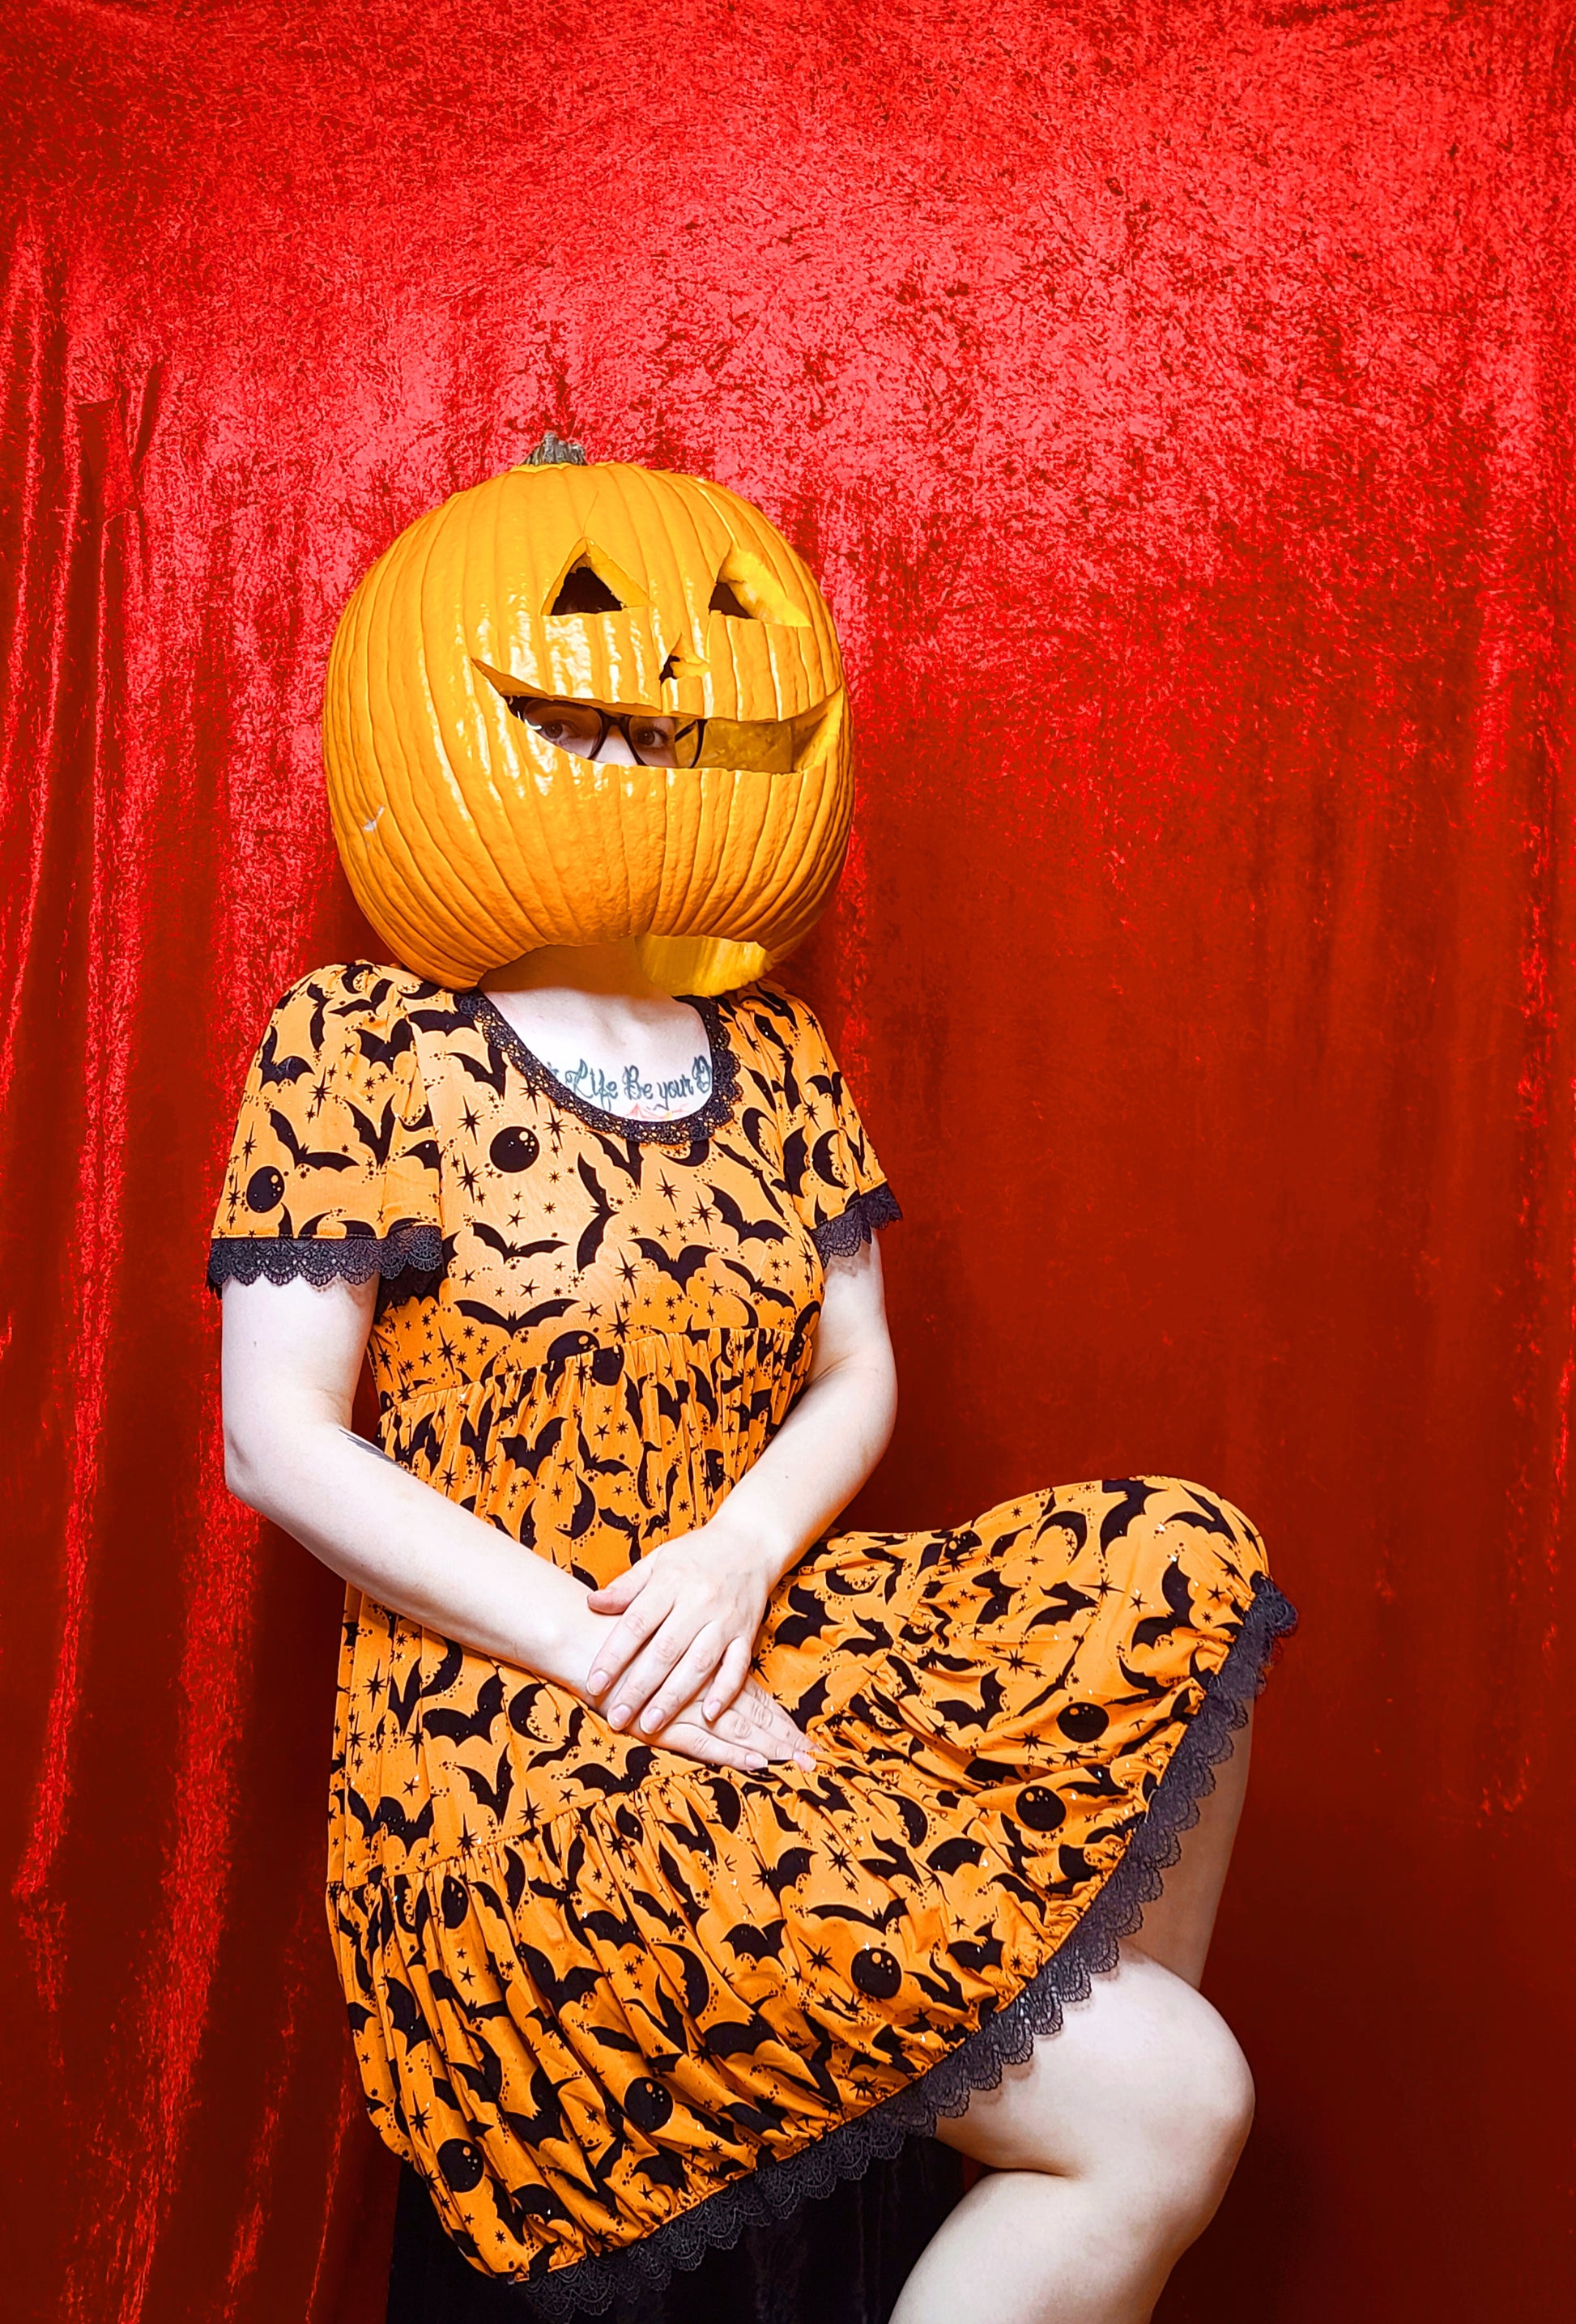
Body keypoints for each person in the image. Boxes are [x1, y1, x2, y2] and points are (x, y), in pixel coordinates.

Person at [213, 456, 1295, 2322]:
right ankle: (1052, 2088)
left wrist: (731, 1556)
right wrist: (612, 1649)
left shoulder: (774, 1051)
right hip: (504, 1714)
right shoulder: (360, 1037)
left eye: (724, 643)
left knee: (1180, 1557)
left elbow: (860, 1370)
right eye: (580, 673)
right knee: (1173, 2097)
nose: (669, 697)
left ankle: (1003, 2075)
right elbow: (276, 1440)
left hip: (752, 1611)